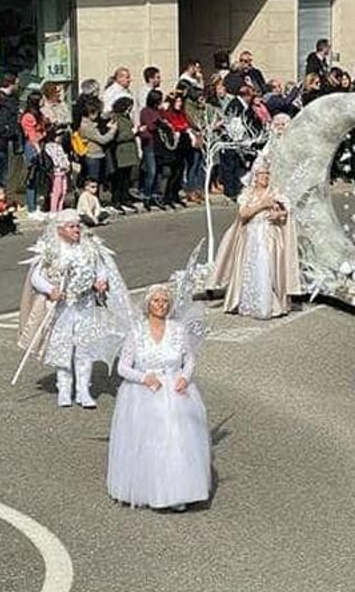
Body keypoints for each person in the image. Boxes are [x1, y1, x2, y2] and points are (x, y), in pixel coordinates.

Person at [109, 284, 211, 511]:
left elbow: (189, 359)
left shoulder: (178, 330)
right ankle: (152, 489)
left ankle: (178, 492)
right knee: (150, 442)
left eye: (165, 302)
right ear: (148, 305)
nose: (161, 306)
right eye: (156, 301)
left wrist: (185, 377)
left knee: (177, 439)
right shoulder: (136, 332)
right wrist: (144, 377)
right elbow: (123, 368)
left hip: (175, 391)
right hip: (144, 393)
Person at [17, 211, 132, 409]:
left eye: (78, 226)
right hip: (63, 306)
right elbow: (36, 277)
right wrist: (50, 290)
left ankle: (83, 390)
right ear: (60, 229)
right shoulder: (51, 249)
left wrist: (101, 281)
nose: (76, 230)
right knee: (63, 347)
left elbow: (100, 267)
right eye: (71, 226)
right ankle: (64, 388)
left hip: (85, 304)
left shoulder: (89, 247)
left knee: (85, 348)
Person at [210, 165, 299, 319]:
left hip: (269, 235)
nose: (265, 176)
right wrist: (262, 205)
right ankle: (250, 302)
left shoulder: (275, 193)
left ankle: (268, 305)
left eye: (267, 174)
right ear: (255, 177)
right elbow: (243, 214)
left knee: (267, 267)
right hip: (251, 235)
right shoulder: (247, 194)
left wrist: (279, 215)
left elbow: (287, 211)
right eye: (262, 174)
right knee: (251, 267)